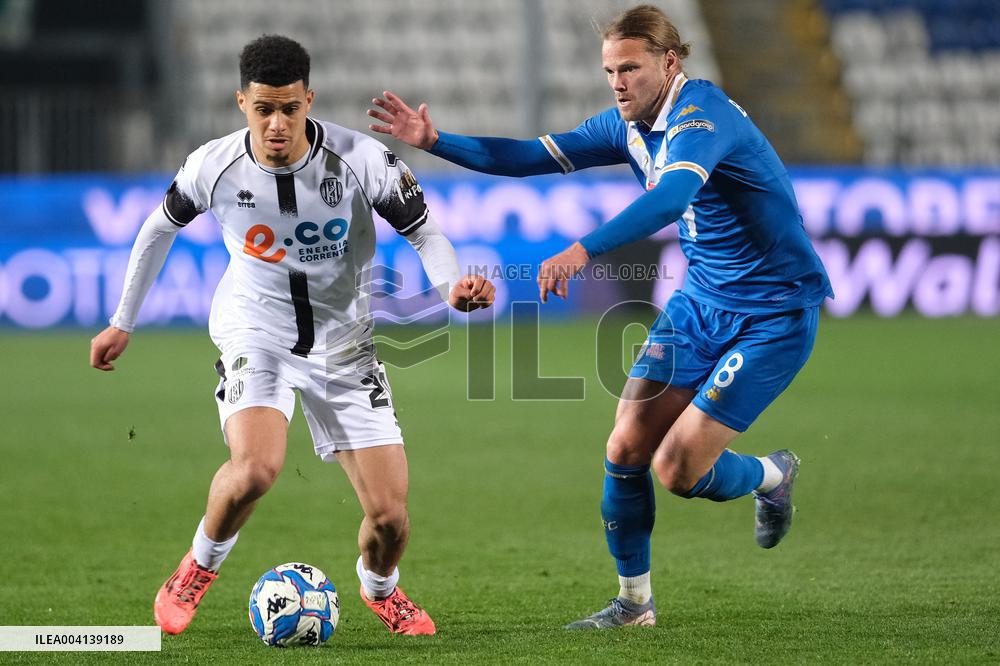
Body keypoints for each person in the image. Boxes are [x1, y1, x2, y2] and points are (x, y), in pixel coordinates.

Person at [368, 4, 832, 629]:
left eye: (631, 69)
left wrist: (583, 249)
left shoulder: (702, 114)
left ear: (670, 63)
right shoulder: (626, 125)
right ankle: (634, 605)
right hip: (701, 303)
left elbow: (671, 197)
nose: (617, 82)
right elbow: (530, 155)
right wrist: (435, 141)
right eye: (610, 69)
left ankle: (771, 475)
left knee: (678, 469)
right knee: (625, 444)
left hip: (774, 312)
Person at [90, 34, 495, 637]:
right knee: (256, 468)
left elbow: (426, 232)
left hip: (346, 342)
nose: (277, 124)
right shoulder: (214, 165)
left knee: (389, 518)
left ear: (309, 98)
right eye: (263, 109)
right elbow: (156, 231)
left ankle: (380, 588)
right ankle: (197, 568)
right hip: (256, 330)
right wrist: (123, 320)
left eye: (289, 108)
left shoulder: (362, 161)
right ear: (241, 103)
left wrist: (448, 287)